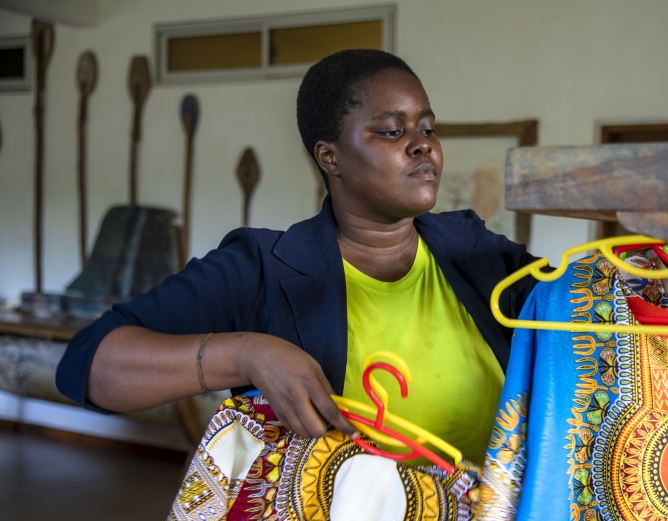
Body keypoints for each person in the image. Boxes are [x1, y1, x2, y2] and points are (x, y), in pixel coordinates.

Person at [56, 49, 538, 467]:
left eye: (427, 128)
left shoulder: (478, 252)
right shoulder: (262, 268)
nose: (422, 144)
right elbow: (88, 364)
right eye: (392, 132)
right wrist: (246, 355)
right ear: (330, 158)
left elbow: (589, 309)